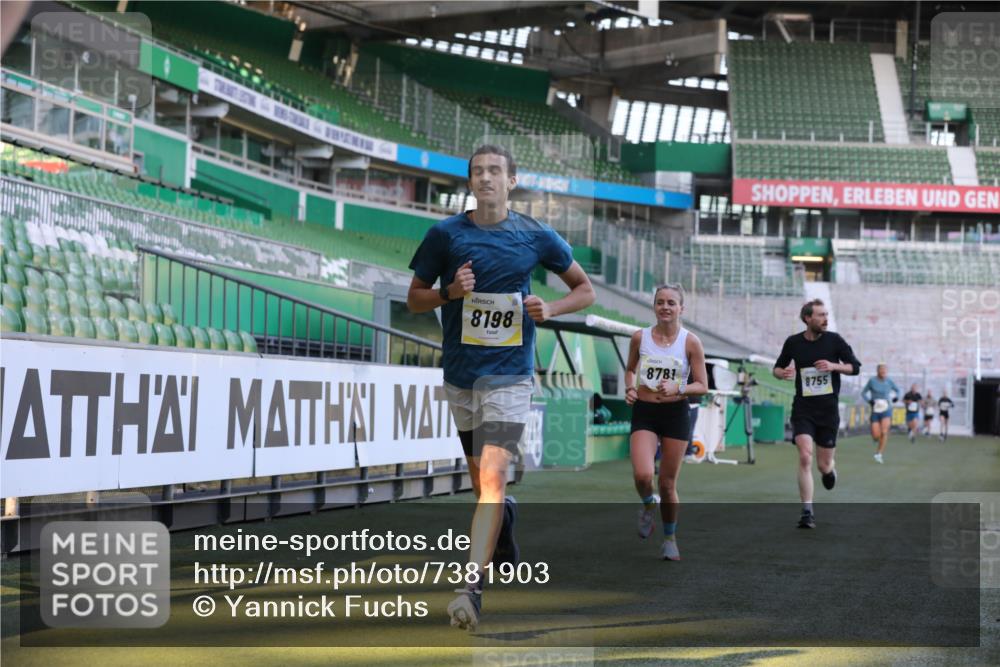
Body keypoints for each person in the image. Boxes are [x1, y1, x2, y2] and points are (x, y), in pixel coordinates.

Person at [406, 145, 595, 631]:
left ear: (512, 181)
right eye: (477, 172)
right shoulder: (444, 235)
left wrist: (550, 310)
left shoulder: (535, 235)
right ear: (469, 182)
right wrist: (451, 292)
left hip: (510, 376)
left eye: (495, 171)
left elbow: (584, 289)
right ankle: (505, 521)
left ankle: (470, 589)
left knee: (491, 478)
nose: (486, 178)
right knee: (482, 486)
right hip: (461, 378)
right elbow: (414, 300)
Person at [624, 284, 708, 561]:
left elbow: (702, 385)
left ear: (681, 308)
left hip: (675, 414)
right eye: (660, 302)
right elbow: (630, 370)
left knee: (668, 484)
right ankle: (649, 506)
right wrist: (630, 388)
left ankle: (670, 539)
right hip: (645, 413)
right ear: (654, 306)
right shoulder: (640, 337)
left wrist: (678, 388)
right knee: (643, 475)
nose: (665, 307)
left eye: (672, 303)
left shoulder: (690, 342)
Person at [773, 299, 861, 529]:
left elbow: (855, 367)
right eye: (820, 315)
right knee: (804, 456)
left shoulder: (835, 341)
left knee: (823, 465)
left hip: (828, 411)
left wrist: (834, 366)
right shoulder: (793, 342)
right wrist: (782, 373)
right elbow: (776, 368)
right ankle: (807, 512)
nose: (825, 319)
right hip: (803, 408)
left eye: (826, 314)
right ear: (807, 318)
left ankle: (830, 470)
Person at [861, 364, 900, 464]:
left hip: (886, 409)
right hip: (875, 410)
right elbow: (863, 393)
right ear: (877, 371)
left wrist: (897, 397)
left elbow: (898, 390)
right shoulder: (872, 381)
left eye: (885, 370)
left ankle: (879, 454)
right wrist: (870, 401)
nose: (883, 372)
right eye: (881, 370)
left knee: (884, 431)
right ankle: (876, 438)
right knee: (876, 436)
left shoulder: (889, 381)